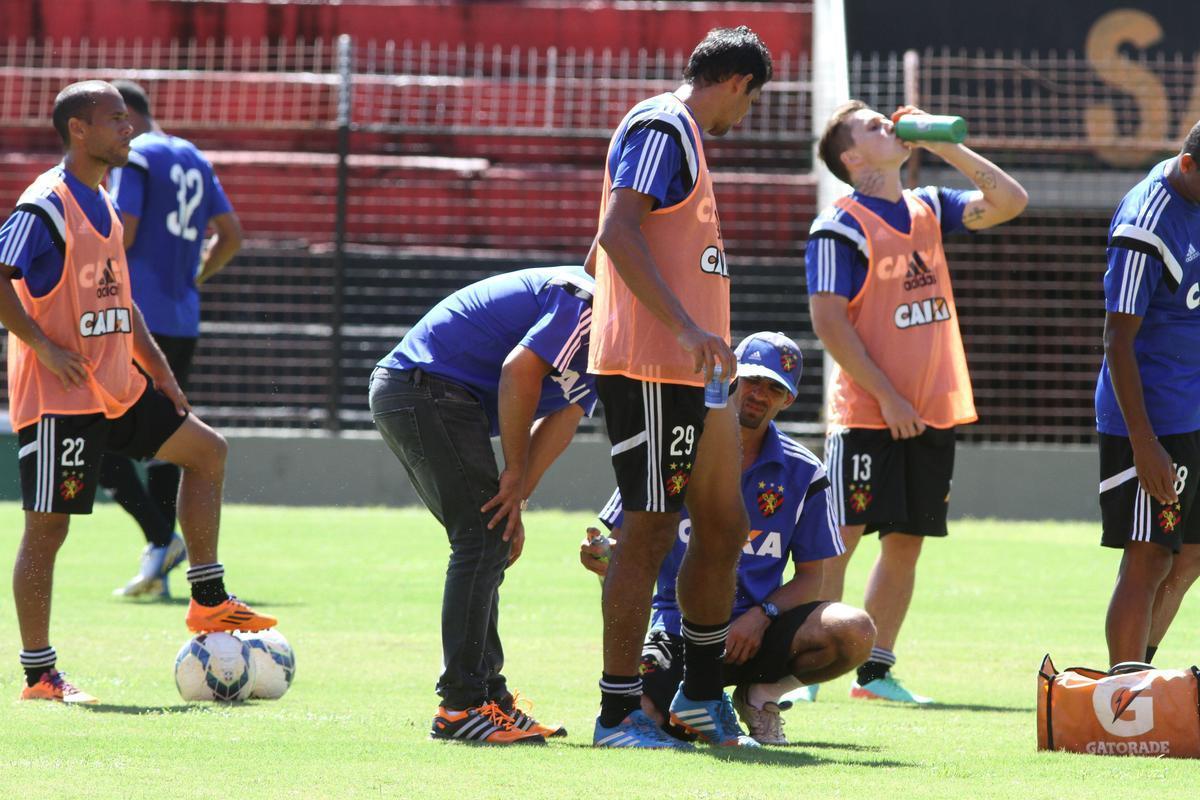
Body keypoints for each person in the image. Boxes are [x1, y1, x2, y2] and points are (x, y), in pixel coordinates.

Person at [0, 81, 274, 703]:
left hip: (118, 388)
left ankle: (208, 598)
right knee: (48, 532)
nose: (129, 129)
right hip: (61, 398)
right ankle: (40, 676)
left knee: (207, 451)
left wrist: (161, 373)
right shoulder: (45, 205)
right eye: (115, 120)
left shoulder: (105, 198)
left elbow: (121, 301)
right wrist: (42, 346)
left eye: (128, 118)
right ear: (79, 130)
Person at [587, 25, 773, 749]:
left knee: (723, 525)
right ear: (737, 83)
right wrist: (687, 328)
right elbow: (617, 232)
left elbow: (613, 246)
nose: (744, 115)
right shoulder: (665, 125)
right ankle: (617, 714)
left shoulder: (682, 136)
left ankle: (699, 695)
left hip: (690, 371)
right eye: (750, 100)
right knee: (650, 530)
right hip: (652, 366)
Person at [806, 101, 1028, 704]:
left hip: (931, 409)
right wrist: (888, 396)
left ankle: (874, 675)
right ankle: (803, 669)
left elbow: (1011, 201)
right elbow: (829, 323)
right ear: (852, 157)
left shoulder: (929, 204)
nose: (889, 125)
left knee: (906, 541)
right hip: (868, 413)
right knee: (838, 539)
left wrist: (945, 145)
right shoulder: (838, 226)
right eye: (872, 125)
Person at [582, 332, 875, 745]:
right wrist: (602, 557)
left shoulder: (804, 471)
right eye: (753, 380)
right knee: (646, 716)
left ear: (788, 400)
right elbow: (623, 546)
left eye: (774, 388)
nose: (760, 394)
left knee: (854, 629)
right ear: (733, 379)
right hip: (675, 628)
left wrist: (762, 615)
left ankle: (760, 696)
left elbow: (813, 577)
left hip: (755, 634)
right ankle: (695, 704)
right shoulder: (677, 448)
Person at [371, 264, 598, 745]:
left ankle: (487, 699)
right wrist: (513, 471)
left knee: (490, 536)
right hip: (425, 385)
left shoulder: (620, 332)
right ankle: (462, 706)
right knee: (480, 540)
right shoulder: (587, 300)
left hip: (430, 391)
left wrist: (518, 499)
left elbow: (565, 413)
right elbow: (519, 370)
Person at [104, 79, 243, 599]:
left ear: (126, 116)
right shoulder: (193, 157)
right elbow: (231, 234)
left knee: (94, 431)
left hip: (135, 318)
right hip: (183, 319)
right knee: (166, 437)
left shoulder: (136, 154)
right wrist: (193, 278)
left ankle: (161, 538)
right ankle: (161, 552)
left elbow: (124, 231)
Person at [1096, 121, 1200, 667]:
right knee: (1149, 557)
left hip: (1194, 411)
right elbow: (1117, 339)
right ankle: (1123, 693)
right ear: (1188, 165)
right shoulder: (1146, 223)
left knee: (1190, 557)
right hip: (1154, 418)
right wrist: (1144, 443)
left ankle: (1142, 677)